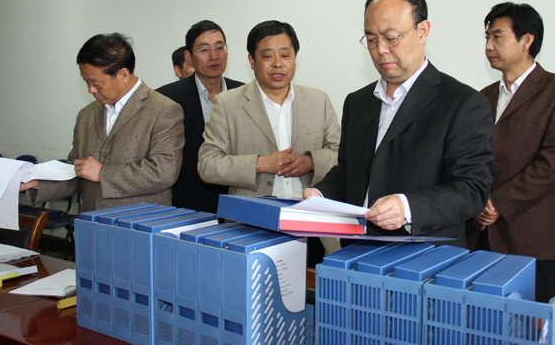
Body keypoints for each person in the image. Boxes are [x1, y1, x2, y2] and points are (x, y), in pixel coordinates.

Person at [304, 0, 494, 248]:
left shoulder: (463, 103)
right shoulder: (357, 102)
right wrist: (321, 193)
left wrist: (407, 207)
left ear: (422, 31)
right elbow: (349, 170)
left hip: (423, 256)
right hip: (357, 249)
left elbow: (471, 189)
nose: (381, 49)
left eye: (391, 38)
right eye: (371, 39)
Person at [197, 20, 341, 264]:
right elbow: (207, 164)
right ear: (252, 61)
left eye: (285, 55)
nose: (277, 63)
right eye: (267, 56)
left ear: (294, 58)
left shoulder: (319, 100)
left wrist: (310, 162)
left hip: (311, 226)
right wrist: (261, 164)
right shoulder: (227, 104)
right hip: (250, 227)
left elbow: (340, 154)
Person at [470, 2, 555, 303]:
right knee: (477, 319)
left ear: (526, 40)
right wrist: (476, 200)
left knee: (531, 323)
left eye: (497, 36)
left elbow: (554, 163)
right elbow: (468, 159)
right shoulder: (481, 98)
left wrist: (496, 202)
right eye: (487, 37)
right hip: (478, 235)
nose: (488, 46)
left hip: (530, 239)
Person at [21, 33, 185, 212]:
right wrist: (38, 184)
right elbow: (78, 171)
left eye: (97, 83)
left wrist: (103, 174)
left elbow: (164, 171)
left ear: (123, 74)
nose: (91, 90)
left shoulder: (163, 110)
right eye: (86, 82)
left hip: (139, 222)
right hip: (91, 220)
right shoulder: (86, 115)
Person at [157, 21, 243, 212]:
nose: (214, 56)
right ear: (189, 57)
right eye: (204, 50)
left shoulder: (245, 94)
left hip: (236, 200)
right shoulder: (167, 98)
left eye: (219, 47)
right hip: (186, 204)